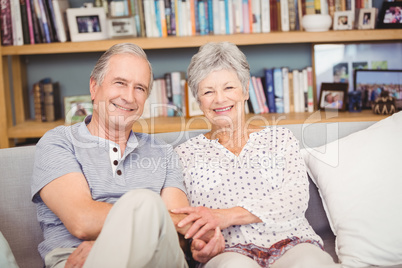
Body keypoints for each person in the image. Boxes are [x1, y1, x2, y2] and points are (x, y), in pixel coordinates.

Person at [31, 43, 224, 268]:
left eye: (140, 88)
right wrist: (150, 225)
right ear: (94, 87)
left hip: (155, 261)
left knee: (145, 204)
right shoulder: (59, 142)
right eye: (120, 83)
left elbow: (180, 237)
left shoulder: (163, 152)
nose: (129, 97)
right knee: (144, 202)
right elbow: (81, 221)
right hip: (80, 261)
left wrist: (124, 242)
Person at [172, 42, 342, 268]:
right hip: (228, 252)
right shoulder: (183, 154)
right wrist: (196, 249)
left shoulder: (280, 139)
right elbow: (184, 222)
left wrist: (225, 216)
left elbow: (295, 198)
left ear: (245, 90)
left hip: (292, 243)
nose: (220, 99)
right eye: (208, 91)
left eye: (228, 88)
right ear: (198, 100)